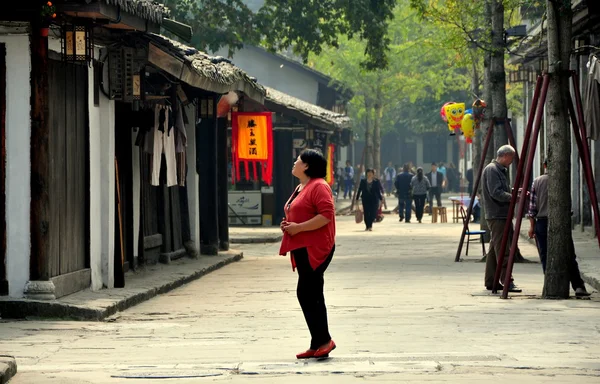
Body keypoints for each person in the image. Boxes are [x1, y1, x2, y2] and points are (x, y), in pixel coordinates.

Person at [279, 149, 337, 359]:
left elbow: (326, 215)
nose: (294, 163)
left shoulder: (319, 185)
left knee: (308, 292)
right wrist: (289, 225)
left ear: (307, 166)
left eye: (298, 161)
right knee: (309, 293)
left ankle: (324, 340)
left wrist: (299, 228)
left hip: (316, 247)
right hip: (301, 246)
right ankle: (317, 342)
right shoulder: (301, 186)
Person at [527, 159, 590, 297]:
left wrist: (532, 227)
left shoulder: (537, 182)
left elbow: (532, 209)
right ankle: (578, 286)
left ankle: (550, 282)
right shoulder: (563, 180)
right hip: (560, 222)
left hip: (542, 222)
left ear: (544, 166)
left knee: (545, 255)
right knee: (568, 253)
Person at [481, 145, 521, 292]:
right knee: (503, 249)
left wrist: (514, 192)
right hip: (497, 215)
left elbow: (501, 189)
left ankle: (491, 280)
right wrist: (514, 197)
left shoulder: (498, 170)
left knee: (494, 250)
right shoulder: (492, 170)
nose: (511, 162)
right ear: (505, 156)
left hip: (501, 214)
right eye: (510, 158)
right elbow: (496, 192)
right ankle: (507, 280)